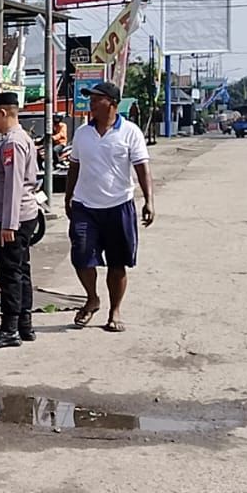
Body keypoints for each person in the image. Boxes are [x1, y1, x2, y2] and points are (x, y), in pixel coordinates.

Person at [66, 82, 155, 333]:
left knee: (118, 263)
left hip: (119, 206)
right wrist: (68, 196)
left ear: (113, 104)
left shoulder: (130, 132)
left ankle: (114, 310)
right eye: (90, 99)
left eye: (97, 99)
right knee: (81, 256)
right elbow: (74, 165)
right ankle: (91, 298)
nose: (91, 104)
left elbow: (141, 168)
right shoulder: (83, 133)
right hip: (85, 206)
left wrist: (149, 200)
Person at [0, 92, 41, 349]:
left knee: (9, 274)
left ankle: (9, 329)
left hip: (13, 219)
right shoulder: (15, 140)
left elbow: (14, 186)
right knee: (20, 270)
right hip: (20, 216)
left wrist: (8, 224)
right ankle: (24, 324)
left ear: (2, 113)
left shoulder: (13, 143)